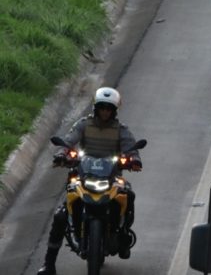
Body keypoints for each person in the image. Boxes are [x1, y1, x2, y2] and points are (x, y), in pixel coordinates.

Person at [37, 88, 142, 275]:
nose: (105, 112)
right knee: (61, 215)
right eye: (102, 107)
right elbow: (68, 141)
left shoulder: (121, 130)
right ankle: (49, 263)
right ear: (96, 108)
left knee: (129, 196)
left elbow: (131, 148)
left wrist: (133, 159)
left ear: (114, 110)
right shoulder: (83, 124)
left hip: (111, 176)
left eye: (109, 109)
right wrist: (62, 154)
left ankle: (123, 236)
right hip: (83, 174)